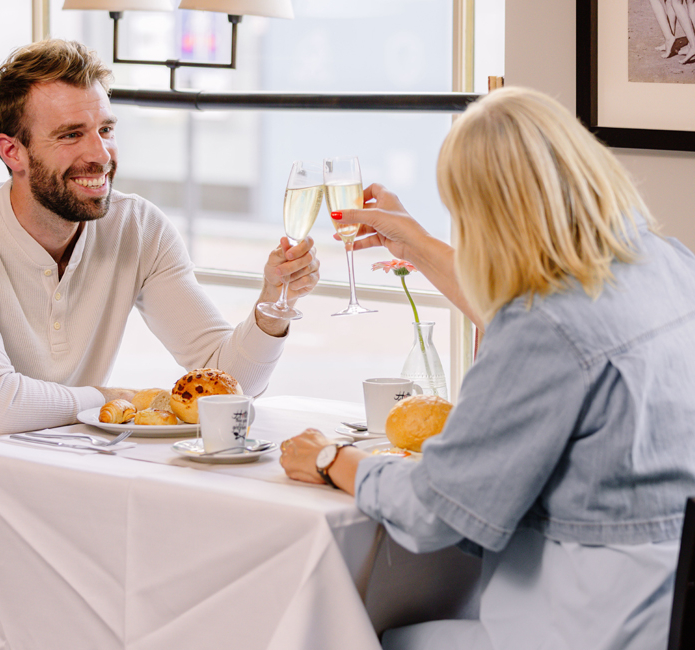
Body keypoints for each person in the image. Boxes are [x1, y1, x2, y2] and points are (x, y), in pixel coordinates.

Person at [0, 39, 320, 583]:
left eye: (105, 129)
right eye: (70, 135)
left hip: (68, 498)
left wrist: (275, 302)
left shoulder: (138, 228)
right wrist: (111, 399)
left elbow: (228, 387)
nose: (101, 155)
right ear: (11, 151)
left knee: (215, 569)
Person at [280, 86, 695, 649]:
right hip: (663, 610)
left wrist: (333, 458)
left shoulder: (547, 324)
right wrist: (418, 245)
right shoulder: (669, 264)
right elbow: (548, 338)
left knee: (345, 634)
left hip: (585, 623)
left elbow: (435, 508)